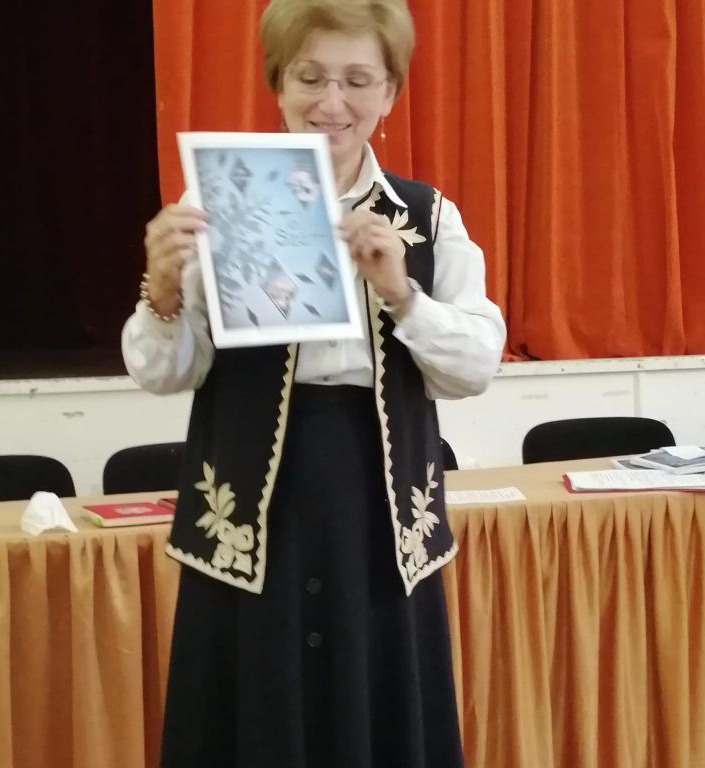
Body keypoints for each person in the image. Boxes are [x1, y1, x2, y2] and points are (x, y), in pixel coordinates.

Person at [122, 1, 506, 765]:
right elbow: (167, 372)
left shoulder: (428, 217)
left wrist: (402, 294)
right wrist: (160, 294)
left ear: (390, 93)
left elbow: (475, 367)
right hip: (251, 502)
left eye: (358, 80)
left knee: (376, 711)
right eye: (310, 77)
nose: (332, 102)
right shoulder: (216, 203)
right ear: (278, 84)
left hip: (378, 503)